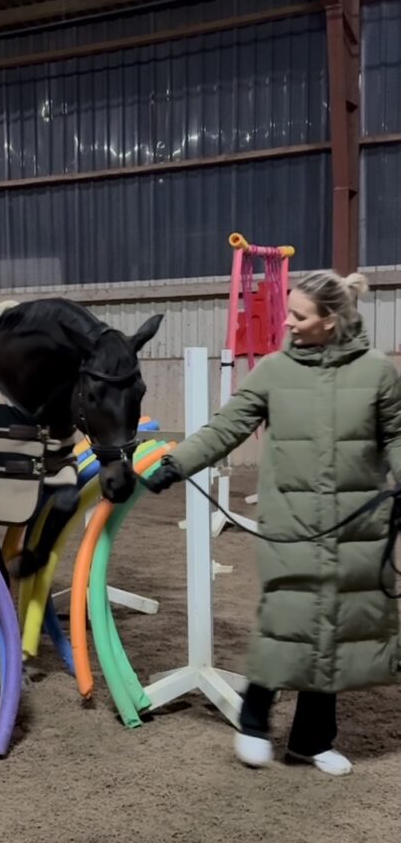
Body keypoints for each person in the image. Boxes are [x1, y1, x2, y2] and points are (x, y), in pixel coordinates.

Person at [146, 270, 401, 776]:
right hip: (293, 524)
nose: (287, 321)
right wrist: (177, 464)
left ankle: (310, 740)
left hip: (357, 527)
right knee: (286, 624)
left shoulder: (378, 372)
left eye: (299, 314)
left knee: (333, 631)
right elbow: (226, 427)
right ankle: (255, 723)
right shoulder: (273, 371)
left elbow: (396, 434)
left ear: (330, 322)